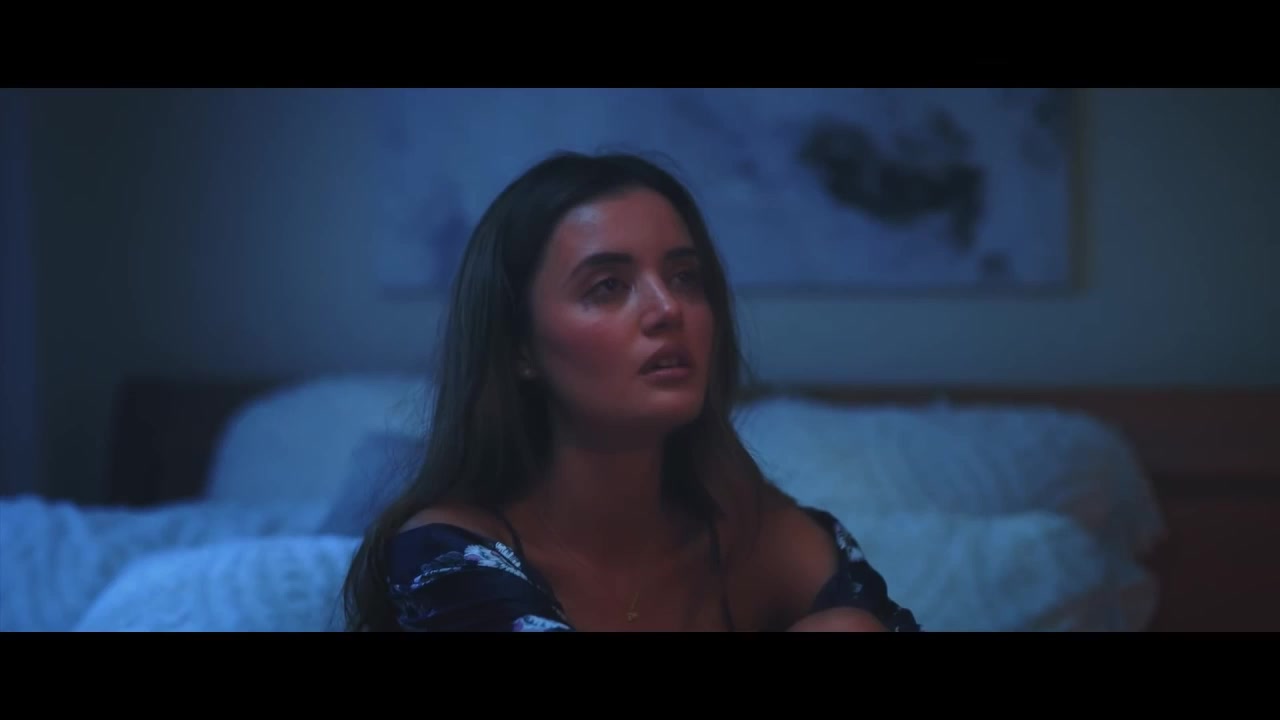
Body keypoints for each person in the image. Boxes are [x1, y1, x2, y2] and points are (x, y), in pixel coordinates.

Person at [340, 150, 921, 632]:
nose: (668, 308)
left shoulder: (768, 538)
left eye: (685, 277)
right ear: (520, 347)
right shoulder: (449, 554)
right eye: (608, 285)